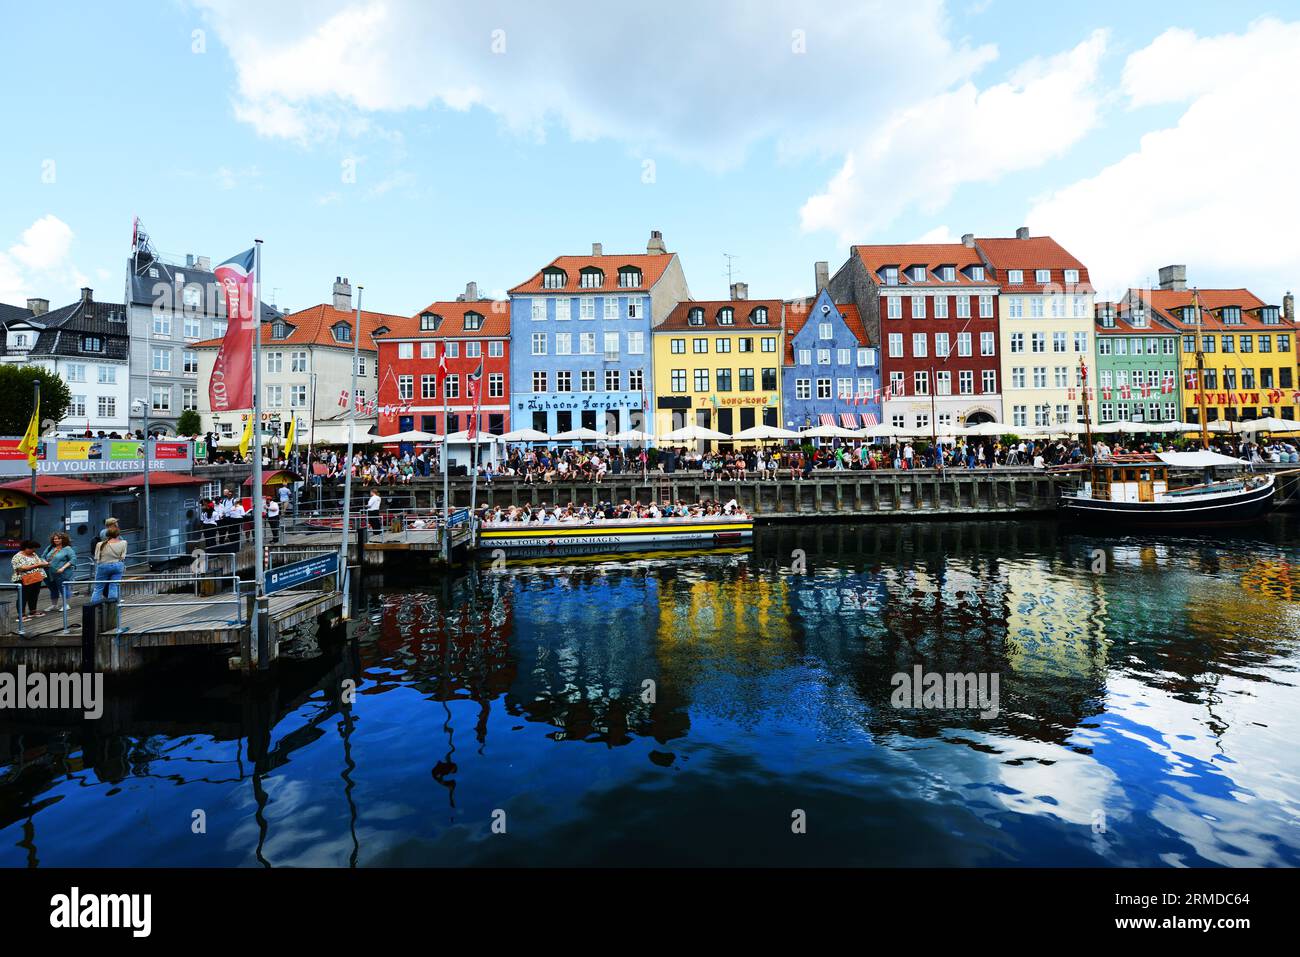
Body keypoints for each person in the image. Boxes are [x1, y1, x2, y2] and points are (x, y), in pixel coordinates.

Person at [11, 540, 49, 619]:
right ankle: (21, 615)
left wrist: (44, 564)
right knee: (23, 596)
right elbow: (21, 568)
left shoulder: (34, 554)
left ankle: (33, 611)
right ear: (26, 548)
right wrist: (38, 565)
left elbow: (39, 562)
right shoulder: (17, 556)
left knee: (34, 595)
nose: (34, 551)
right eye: (32, 549)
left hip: (36, 578)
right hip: (22, 579)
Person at [89, 527, 127, 604]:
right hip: (117, 566)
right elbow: (123, 557)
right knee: (114, 586)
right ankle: (112, 607)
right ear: (118, 534)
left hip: (103, 566)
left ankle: (94, 607)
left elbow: (96, 557)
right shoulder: (123, 542)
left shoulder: (100, 544)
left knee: (98, 588)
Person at [42, 531, 76, 613]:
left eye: (58, 539)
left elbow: (73, 559)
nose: (56, 540)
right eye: (54, 539)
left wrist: (63, 568)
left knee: (63, 588)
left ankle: (66, 605)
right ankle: (54, 605)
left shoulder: (67, 549)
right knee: (52, 588)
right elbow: (43, 556)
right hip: (48, 572)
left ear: (63, 539)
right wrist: (44, 562)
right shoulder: (50, 547)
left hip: (61, 573)